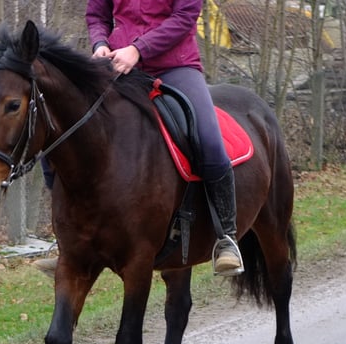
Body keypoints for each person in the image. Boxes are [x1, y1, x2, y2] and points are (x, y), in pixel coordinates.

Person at [86, 0, 243, 276]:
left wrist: (137, 49)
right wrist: (100, 43)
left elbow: (184, 17)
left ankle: (226, 238)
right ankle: (75, 241)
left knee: (209, 141)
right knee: (75, 127)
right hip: (120, 66)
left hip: (175, 66)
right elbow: (97, 14)